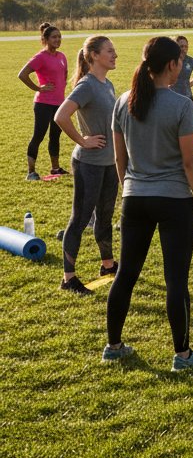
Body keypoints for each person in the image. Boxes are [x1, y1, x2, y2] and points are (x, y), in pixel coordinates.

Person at [105, 36, 193, 371]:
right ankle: (182, 356)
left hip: (135, 199)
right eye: (179, 59)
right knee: (176, 280)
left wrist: (129, 190)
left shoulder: (123, 100)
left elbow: (119, 158)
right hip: (173, 201)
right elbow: (190, 162)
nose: (182, 63)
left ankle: (114, 346)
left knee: (126, 275)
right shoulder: (180, 104)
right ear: (172, 65)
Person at [53, 36, 119, 295]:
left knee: (104, 216)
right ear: (93, 55)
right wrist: (83, 140)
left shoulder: (107, 84)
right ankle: (68, 278)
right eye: (109, 51)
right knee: (80, 219)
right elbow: (61, 116)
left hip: (108, 164)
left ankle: (108, 265)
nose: (115, 55)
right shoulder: (87, 85)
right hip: (88, 164)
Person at [18, 22, 68, 180]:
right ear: (45, 39)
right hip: (43, 104)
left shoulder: (62, 56)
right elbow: (22, 74)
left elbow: (64, 76)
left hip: (59, 103)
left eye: (59, 37)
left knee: (55, 135)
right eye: (54, 37)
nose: (58, 40)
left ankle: (55, 168)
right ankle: (31, 172)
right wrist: (38, 88)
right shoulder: (40, 57)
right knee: (38, 136)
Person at [170, 35, 193, 151]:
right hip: (172, 95)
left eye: (186, 46)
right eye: (181, 46)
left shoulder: (190, 61)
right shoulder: (170, 60)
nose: (184, 49)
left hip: (187, 95)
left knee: (190, 121)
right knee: (174, 121)